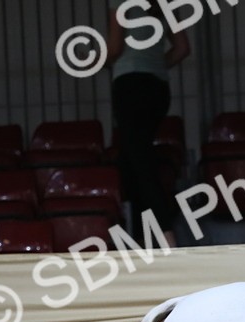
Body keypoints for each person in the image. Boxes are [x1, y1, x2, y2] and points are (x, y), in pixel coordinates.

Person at [106, 1, 191, 245]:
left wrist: (93, 61)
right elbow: (182, 48)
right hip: (158, 88)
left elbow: (114, 48)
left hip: (130, 86)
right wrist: (153, 64)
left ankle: (167, 240)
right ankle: (142, 236)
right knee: (130, 160)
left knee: (141, 163)